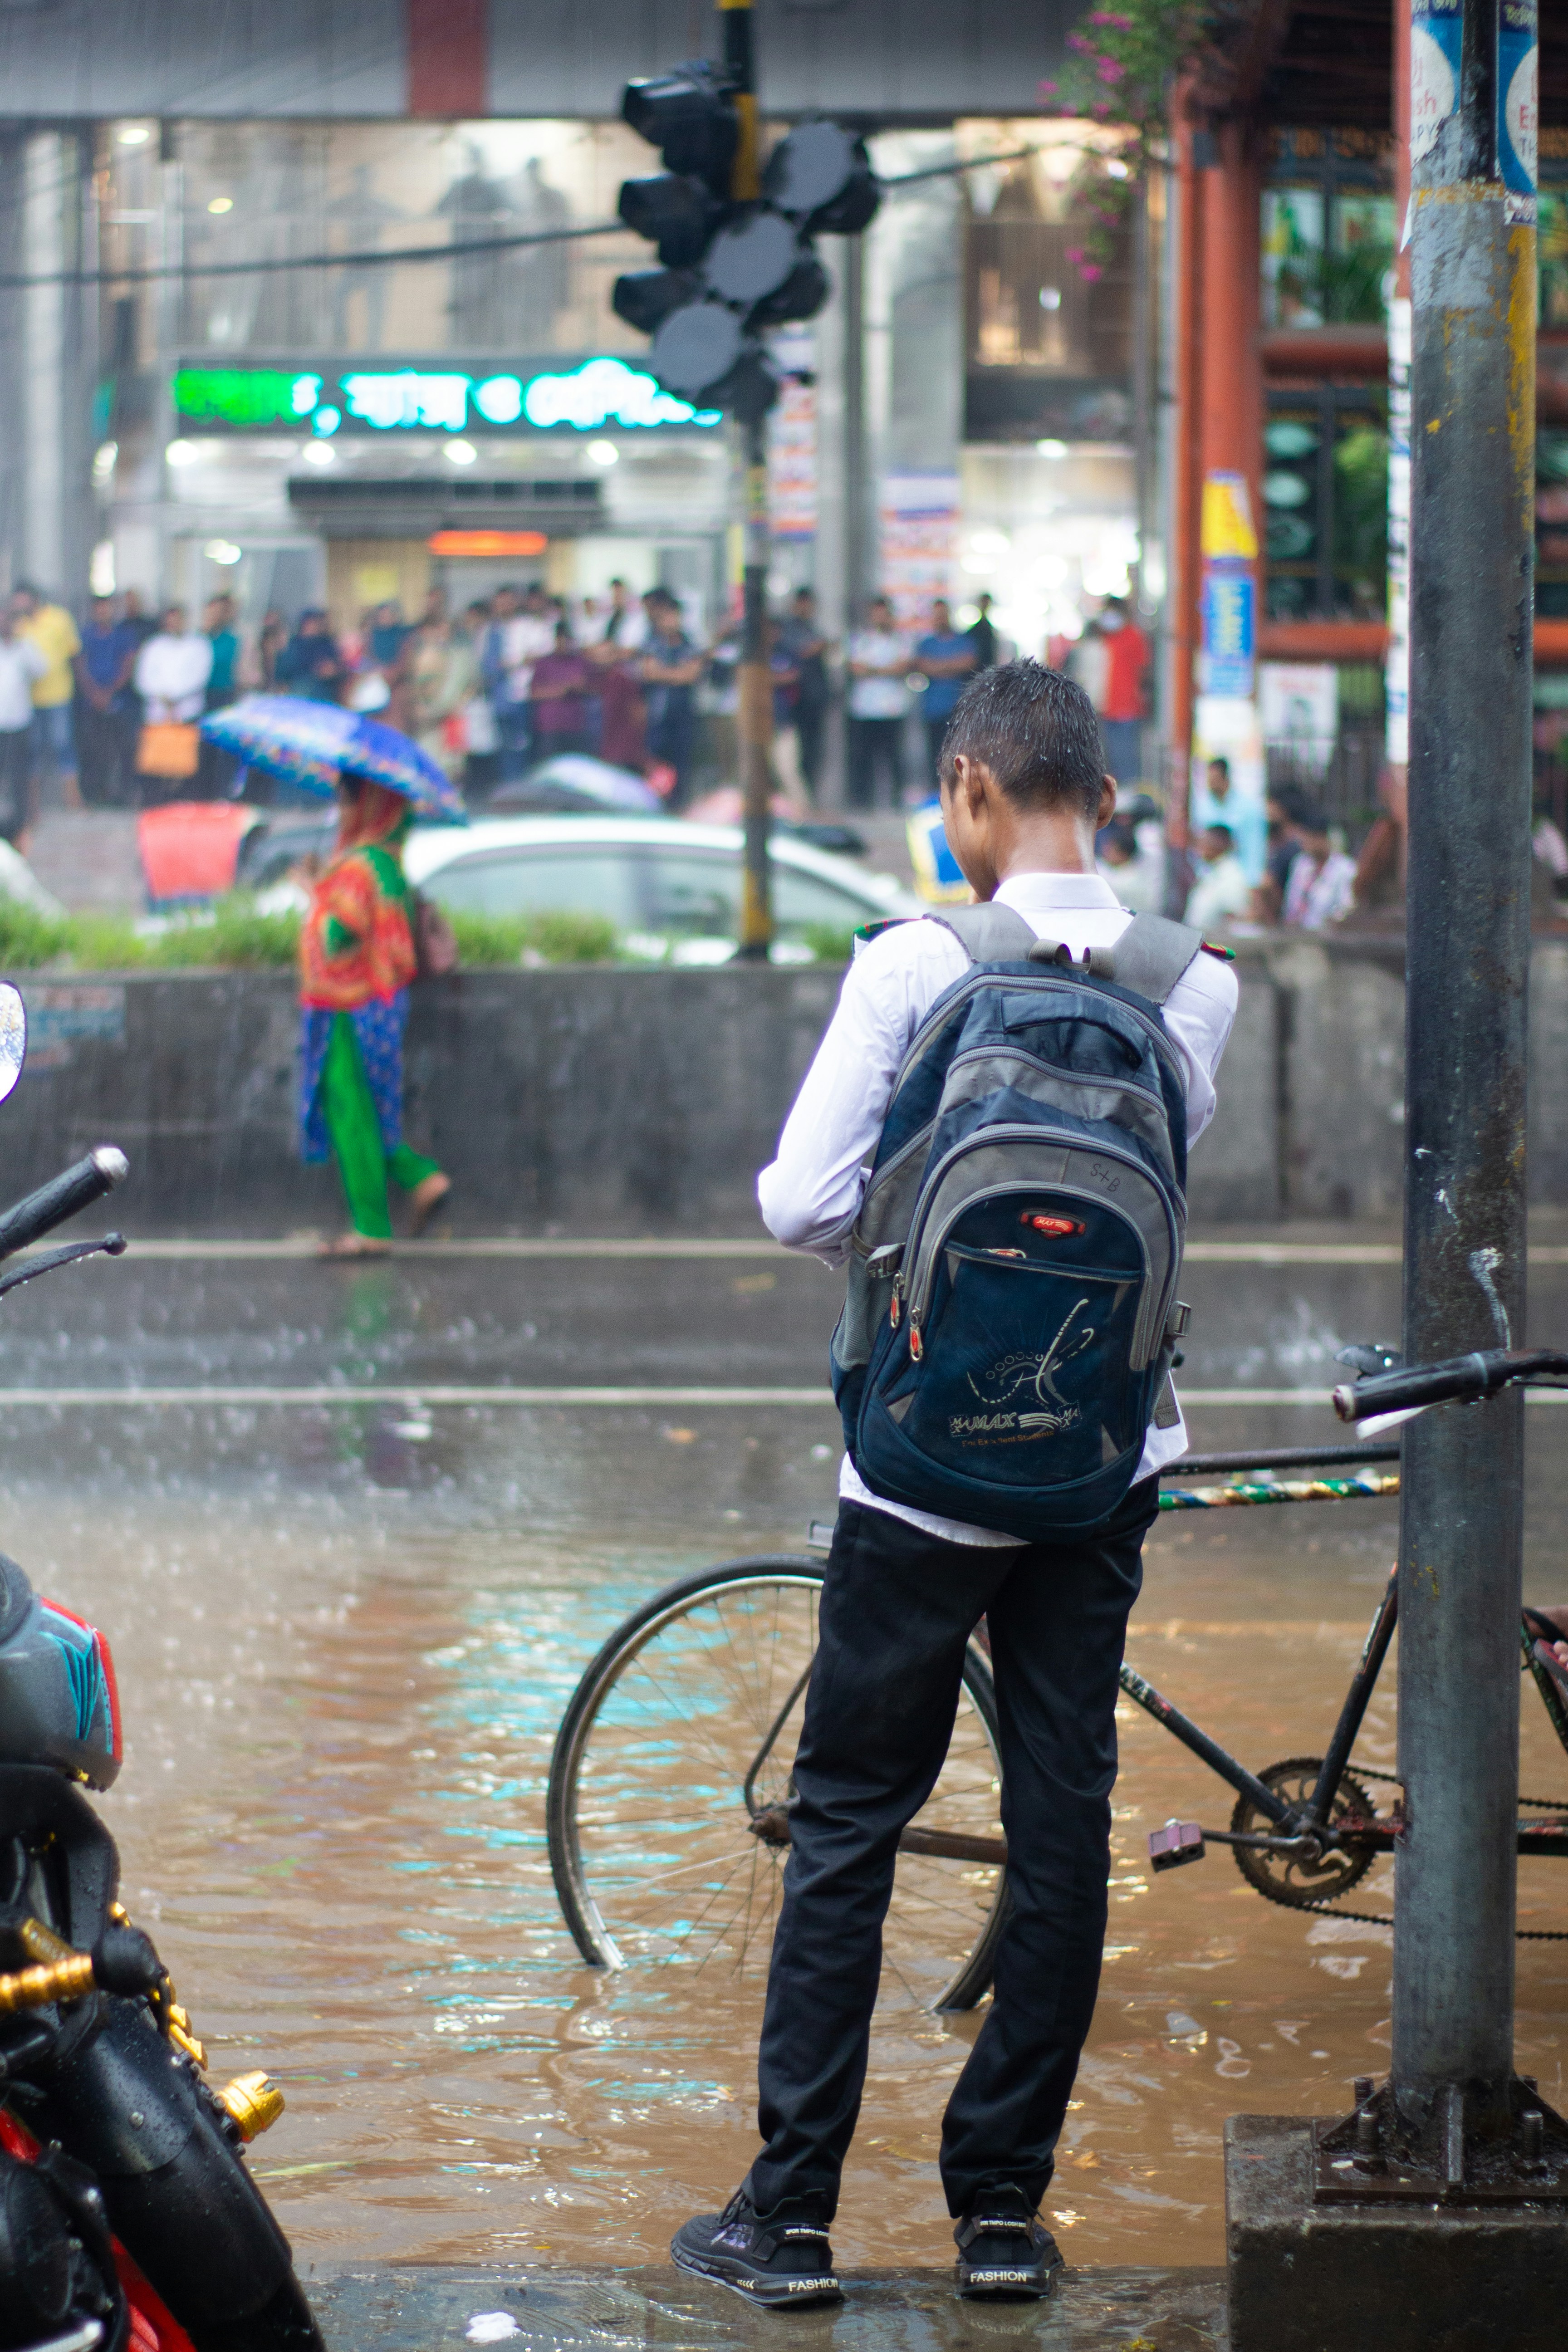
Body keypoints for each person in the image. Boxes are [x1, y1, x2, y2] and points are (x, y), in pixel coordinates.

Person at [672, 660, 1236, 2310]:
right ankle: (1000, 2217)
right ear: (1105, 801)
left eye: (948, 796)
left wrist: (920, 1258)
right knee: (1062, 1817)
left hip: (916, 1472)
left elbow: (798, 1201)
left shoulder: (917, 962)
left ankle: (787, 2225)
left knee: (851, 1820)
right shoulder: (1194, 980)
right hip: (1103, 1464)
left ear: (974, 788)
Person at [298, 774, 451, 1258]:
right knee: (373, 1111)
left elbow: (338, 936)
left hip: (350, 1006)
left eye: (348, 803)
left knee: (353, 1114)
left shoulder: (360, 867)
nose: (342, 813)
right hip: (381, 1004)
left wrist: (311, 890)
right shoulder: (387, 863)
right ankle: (420, 1180)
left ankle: (372, 1225)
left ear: (371, 808)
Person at [12, 584, 81, 811]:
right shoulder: (17, 624)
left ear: (35, 599)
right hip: (27, 700)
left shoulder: (59, 619)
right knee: (32, 750)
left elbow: (74, 654)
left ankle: (73, 800)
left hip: (58, 695)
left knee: (63, 745)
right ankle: (33, 806)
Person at [845, 596, 910, 810]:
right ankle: (863, 800)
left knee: (893, 757)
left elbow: (903, 667)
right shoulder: (860, 640)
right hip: (865, 709)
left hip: (893, 709)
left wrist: (873, 670)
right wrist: (885, 670)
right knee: (864, 758)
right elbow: (855, 669)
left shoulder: (900, 641)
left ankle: (896, 799)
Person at [74, 595, 140, 806]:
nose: (103, 612)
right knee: (93, 750)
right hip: (91, 703)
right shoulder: (85, 635)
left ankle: (120, 796)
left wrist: (110, 691)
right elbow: (80, 665)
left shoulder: (124, 635)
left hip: (120, 703)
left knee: (121, 751)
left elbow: (128, 664)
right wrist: (94, 693)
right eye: (99, 609)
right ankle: (95, 794)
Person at [639, 589, 703, 804]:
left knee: (682, 762)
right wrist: (677, 674)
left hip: (684, 713)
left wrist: (666, 673)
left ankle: (679, 802)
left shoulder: (689, 644)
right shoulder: (653, 644)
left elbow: (692, 674)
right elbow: (649, 672)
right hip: (659, 714)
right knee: (657, 762)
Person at [915, 598, 978, 784]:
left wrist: (937, 666)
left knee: (958, 755)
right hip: (933, 708)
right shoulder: (926, 644)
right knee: (935, 755)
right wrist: (951, 666)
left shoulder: (964, 641)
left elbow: (968, 662)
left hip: (957, 708)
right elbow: (922, 666)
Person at [0, 609, 46, 845]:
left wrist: (24, 644)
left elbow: (41, 670)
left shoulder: (24, 648)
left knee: (20, 775)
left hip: (19, 721)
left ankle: (21, 822)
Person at [780, 588, 831, 800]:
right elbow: (795, 655)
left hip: (815, 700)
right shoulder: (788, 630)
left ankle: (810, 795)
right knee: (794, 756)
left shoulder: (812, 629)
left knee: (813, 752)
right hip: (796, 702)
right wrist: (814, 648)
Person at [1097, 596, 1148, 786]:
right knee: (1112, 761)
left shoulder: (1133, 637)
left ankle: (1130, 800)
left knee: (1127, 761)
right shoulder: (1105, 638)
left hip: (1128, 710)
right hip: (1108, 709)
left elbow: (1143, 671)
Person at [527, 622, 594, 759]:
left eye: (567, 640)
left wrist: (578, 687)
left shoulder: (580, 662)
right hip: (550, 726)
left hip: (575, 725)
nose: (564, 643)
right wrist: (561, 690)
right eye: (560, 639)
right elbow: (533, 693)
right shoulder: (544, 663)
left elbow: (592, 688)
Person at [1281, 809, 1357, 930]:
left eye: (1311, 837)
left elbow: (1347, 907)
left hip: (1327, 938)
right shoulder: (1301, 864)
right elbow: (1290, 904)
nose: (1305, 842)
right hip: (1296, 935)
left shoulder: (1344, 868)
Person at [1184, 822, 1252, 931]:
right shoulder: (1210, 872)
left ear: (1219, 843)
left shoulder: (1232, 877)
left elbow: (1233, 920)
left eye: (1205, 842)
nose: (1199, 848)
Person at [276, 610, 346, 703]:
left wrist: (333, 671)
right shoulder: (294, 645)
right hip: (299, 691)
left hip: (323, 692)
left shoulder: (327, 644)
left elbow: (339, 668)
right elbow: (284, 671)